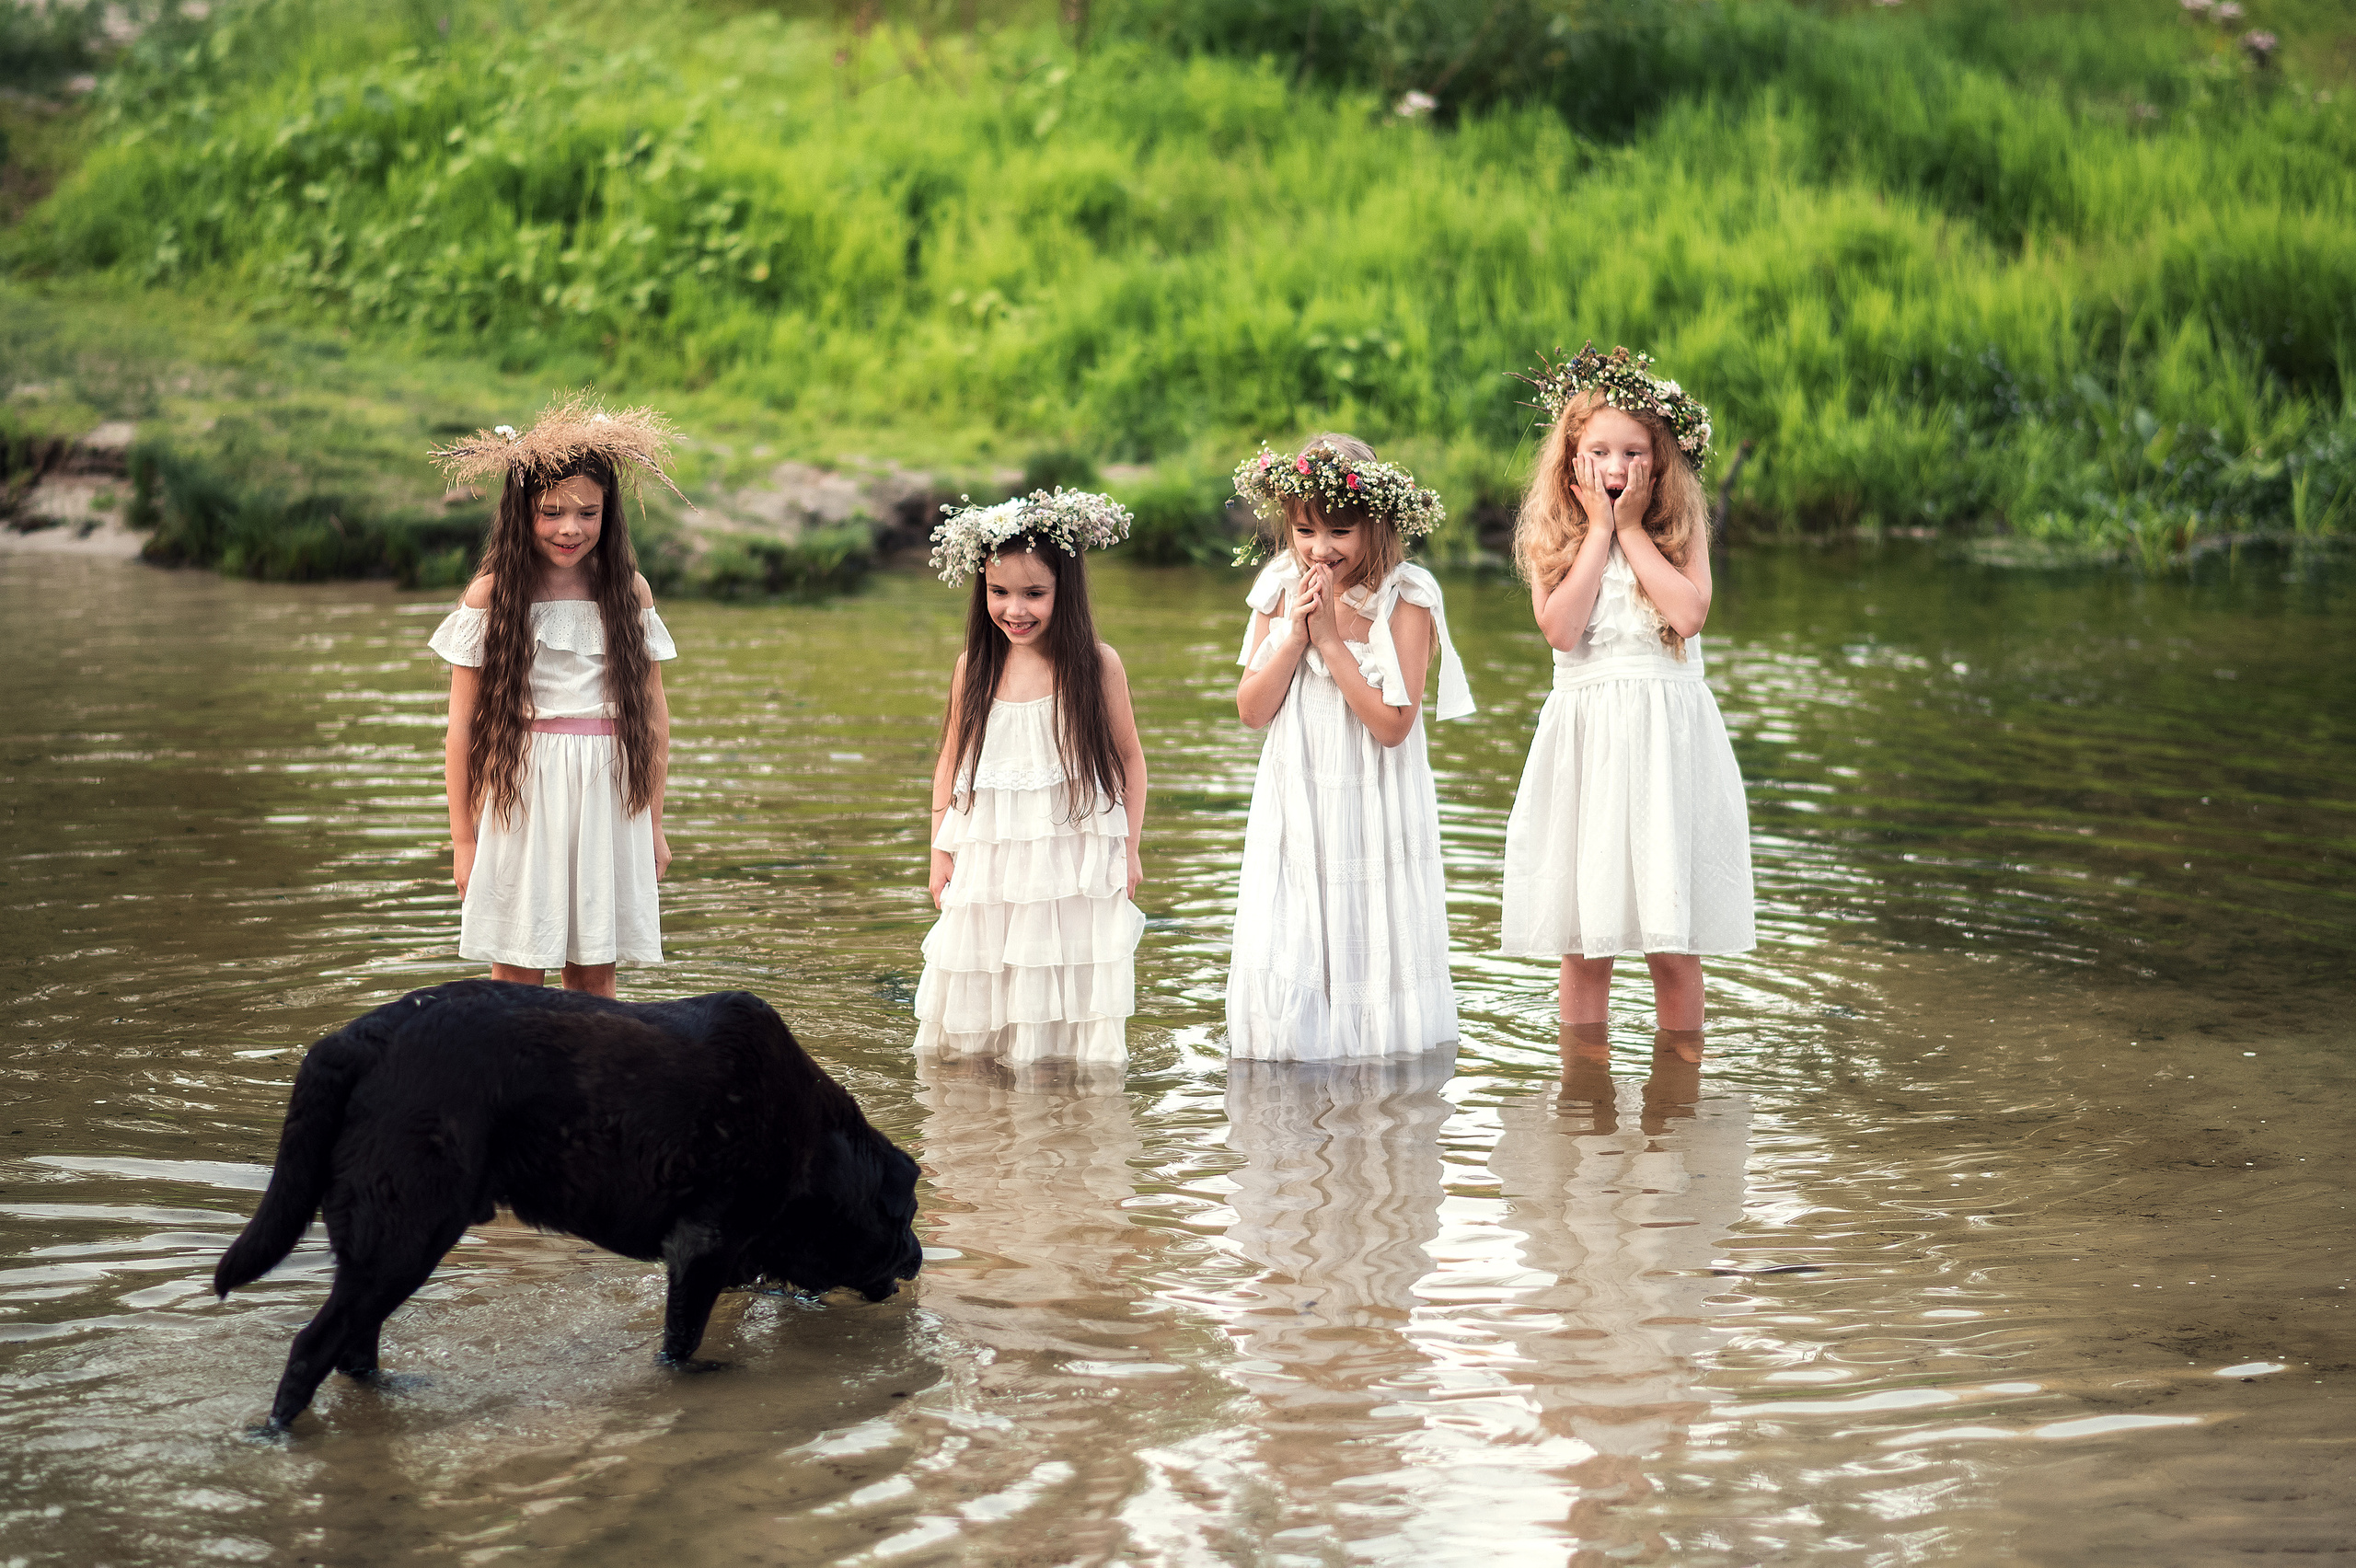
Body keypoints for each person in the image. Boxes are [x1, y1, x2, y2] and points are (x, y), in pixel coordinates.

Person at [1499, 344, 1755, 1033]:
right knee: (1586, 945)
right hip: (1590, 749)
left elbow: (1689, 614)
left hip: (1667, 748)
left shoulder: (1680, 528)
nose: (1616, 469)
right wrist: (1599, 532)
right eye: (1599, 453)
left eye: (1634, 453)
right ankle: (1584, 1086)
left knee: (1672, 943)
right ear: (1571, 461)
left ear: (1660, 460)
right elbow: (1560, 630)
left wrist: (1633, 529)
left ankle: (1682, 1080)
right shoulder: (1553, 535)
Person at [1227, 435, 1475, 1060]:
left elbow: (1393, 726)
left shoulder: (1406, 598)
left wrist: (1331, 644)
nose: (1320, 548)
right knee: (1295, 927)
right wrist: (1295, 636)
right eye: (1304, 530)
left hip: (1372, 802)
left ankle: (1373, 1066)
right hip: (1298, 799)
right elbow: (1251, 711)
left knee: (1366, 924)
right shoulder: (1280, 587)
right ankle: (1290, 1061)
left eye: (1340, 531)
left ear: (1377, 525)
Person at [424, 398, 682, 997]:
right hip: (522, 787)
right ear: (522, 512)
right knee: (518, 965)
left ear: (609, 513)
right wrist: (464, 839)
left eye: (588, 513)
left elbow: (653, 719)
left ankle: (592, 1058)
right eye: (552, 512)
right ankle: (519, 1057)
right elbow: (462, 728)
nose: (571, 528)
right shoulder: (492, 596)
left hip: (609, 790)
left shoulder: (629, 592)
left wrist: (654, 824)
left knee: (593, 970)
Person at [914, 489, 1147, 1064]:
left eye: (1034, 594)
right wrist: (939, 852)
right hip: (991, 855)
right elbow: (949, 763)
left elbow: (1130, 759)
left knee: (1065, 982)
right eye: (999, 592)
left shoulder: (1096, 665)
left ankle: (1062, 1096)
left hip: (1071, 859)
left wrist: (1129, 849)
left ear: (1065, 591)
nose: (1015, 610)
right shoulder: (975, 666)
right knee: (981, 986)